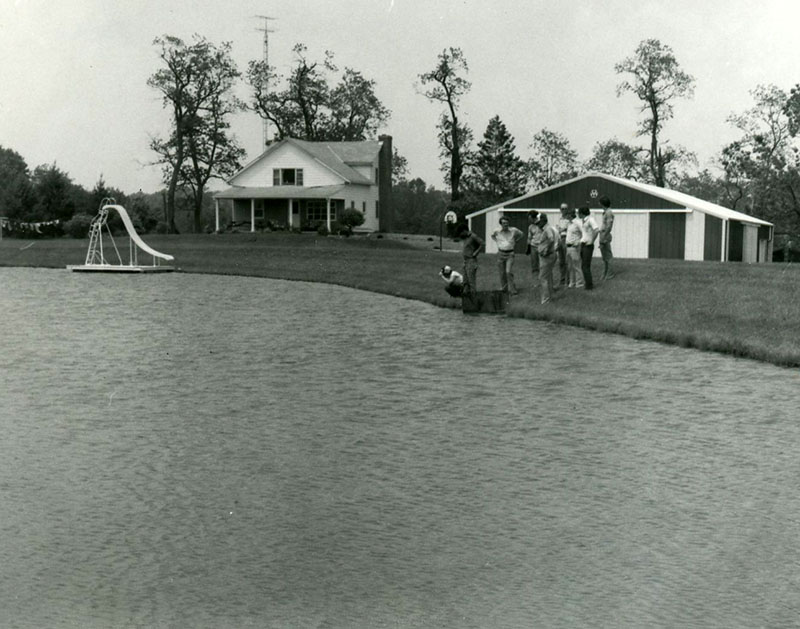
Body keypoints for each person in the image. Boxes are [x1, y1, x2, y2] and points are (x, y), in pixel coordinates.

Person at [491, 215, 524, 295]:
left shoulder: (514, 230)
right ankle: (504, 289)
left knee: (508, 272)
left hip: (510, 254)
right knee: (502, 273)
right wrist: (497, 241)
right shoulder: (497, 231)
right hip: (500, 254)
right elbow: (492, 236)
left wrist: (516, 240)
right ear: (501, 224)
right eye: (503, 223)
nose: (505, 224)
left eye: (507, 223)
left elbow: (521, 234)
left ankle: (513, 290)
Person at [536, 213, 559, 304]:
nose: (537, 224)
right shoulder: (547, 229)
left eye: (539, 222)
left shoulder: (547, 229)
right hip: (549, 255)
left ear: (543, 221)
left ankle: (545, 300)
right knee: (548, 276)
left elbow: (551, 240)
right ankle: (549, 296)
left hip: (547, 256)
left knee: (542, 277)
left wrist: (546, 250)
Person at [578, 206, 599, 290]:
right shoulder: (583, 220)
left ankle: (589, 285)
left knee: (585, 266)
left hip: (588, 245)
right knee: (584, 265)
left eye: (578, 213)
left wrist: (592, 241)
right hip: (583, 244)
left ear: (582, 213)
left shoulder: (590, 220)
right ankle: (587, 283)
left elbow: (596, 230)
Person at [564, 207, 584, 288]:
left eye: (568, 214)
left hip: (574, 247)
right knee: (570, 266)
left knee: (576, 266)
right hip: (568, 247)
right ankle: (572, 283)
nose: (566, 216)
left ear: (571, 214)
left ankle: (579, 283)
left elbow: (584, 233)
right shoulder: (569, 223)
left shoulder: (578, 223)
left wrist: (579, 242)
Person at [459, 226, 483, 293]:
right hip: (465, 261)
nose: (461, 234)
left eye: (461, 232)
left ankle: (473, 299)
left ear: (464, 230)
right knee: (465, 282)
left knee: (471, 282)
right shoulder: (466, 237)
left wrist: (476, 252)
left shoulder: (473, 236)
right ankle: (466, 300)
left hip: (471, 260)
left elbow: (482, 243)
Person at [598, 196, 615, 280]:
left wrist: (604, 236)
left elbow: (609, 226)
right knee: (604, 256)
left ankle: (610, 274)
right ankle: (605, 273)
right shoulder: (605, 212)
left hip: (605, 234)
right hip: (602, 233)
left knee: (607, 255)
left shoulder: (608, 212)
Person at [556, 203, 572, 287]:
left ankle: (568, 280)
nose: (563, 210)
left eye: (565, 208)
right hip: (560, 238)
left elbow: (569, 227)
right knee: (561, 261)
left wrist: (563, 228)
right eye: (562, 209)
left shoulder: (569, 218)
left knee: (567, 261)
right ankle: (562, 279)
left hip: (566, 238)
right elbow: (558, 228)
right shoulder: (560, 218)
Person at [526, 211, 542, 294]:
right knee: (534, 265)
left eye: (530, 218)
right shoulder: (530, 227)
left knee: (543, 265)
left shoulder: (542, 225)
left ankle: (543, 282)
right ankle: (536, 283)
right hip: (533, 247)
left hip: (541, 247)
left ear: (534, 217)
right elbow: (529, 237)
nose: (529, 220)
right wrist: (528, 248)